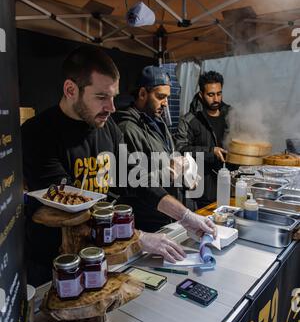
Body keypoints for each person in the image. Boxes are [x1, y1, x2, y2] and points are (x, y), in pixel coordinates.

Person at [22, 47, 216, 286]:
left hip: (100, 253)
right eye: (102, 97)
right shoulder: (38, 133)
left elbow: (137, 180)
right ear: (71, 90)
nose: (112, 107)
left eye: (113, 97)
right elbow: (69, 208)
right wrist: (137, 238)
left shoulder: (109, 128)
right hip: (56, 265)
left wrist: (185, 216)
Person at [114, 65, 197, 231]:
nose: (165, 103)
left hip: (168, 215)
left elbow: (168, 158)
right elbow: (132, 181)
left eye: (167, 97)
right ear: (143, 93)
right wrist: (170, 172)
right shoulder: (127, 129)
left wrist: (186, 175)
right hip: (150, 221)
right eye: (160, 97)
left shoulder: (158, 122)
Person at [175, 70, 231, 207]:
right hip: (201, 190)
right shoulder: (189, 120)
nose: (216, 99)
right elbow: (180, 150)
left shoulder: (230, 114)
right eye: (211, 95)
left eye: (219, 93)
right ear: (201, 94)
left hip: (229, 186)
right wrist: (211, 152)